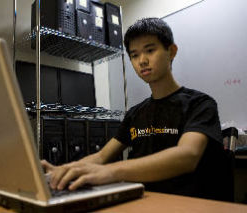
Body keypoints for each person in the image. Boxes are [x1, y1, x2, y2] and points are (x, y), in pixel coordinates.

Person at [41, 18, 232, 201]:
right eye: (134, 55)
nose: (142, 61)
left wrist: (112, 171)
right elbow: (101, 156)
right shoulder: (135, 113)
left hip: (186, 202)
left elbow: (187, 155)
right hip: (141, 199)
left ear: (171, 51)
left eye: (150, 50)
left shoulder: (200, 104)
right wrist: (63, 170)